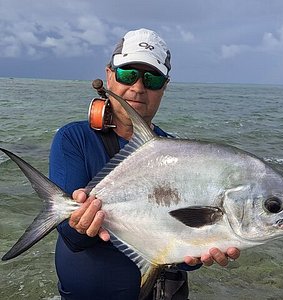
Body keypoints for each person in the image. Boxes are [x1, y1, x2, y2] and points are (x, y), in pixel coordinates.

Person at [49, 28, 240, 300]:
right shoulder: (74, 138)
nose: (137, 88)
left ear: (165, 86)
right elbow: (73, 238)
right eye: (128, 74)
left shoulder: (178, 154)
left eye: (151, 79)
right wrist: (78, 223)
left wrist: (203, 249)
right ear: (109, 75)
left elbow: (181, 248)